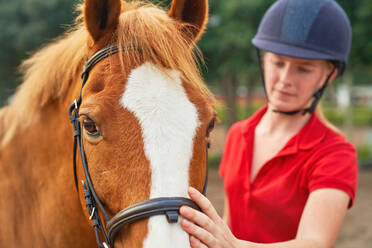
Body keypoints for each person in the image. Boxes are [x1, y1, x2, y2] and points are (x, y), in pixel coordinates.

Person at [179, 0, 358, 247]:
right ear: (263, 61)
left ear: (329, 75)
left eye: (303, 69)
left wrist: (234, 246)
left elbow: (315, 241)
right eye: (278, 63)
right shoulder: (238, 134)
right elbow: (230, 226)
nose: (285, 79)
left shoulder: (336, 154)